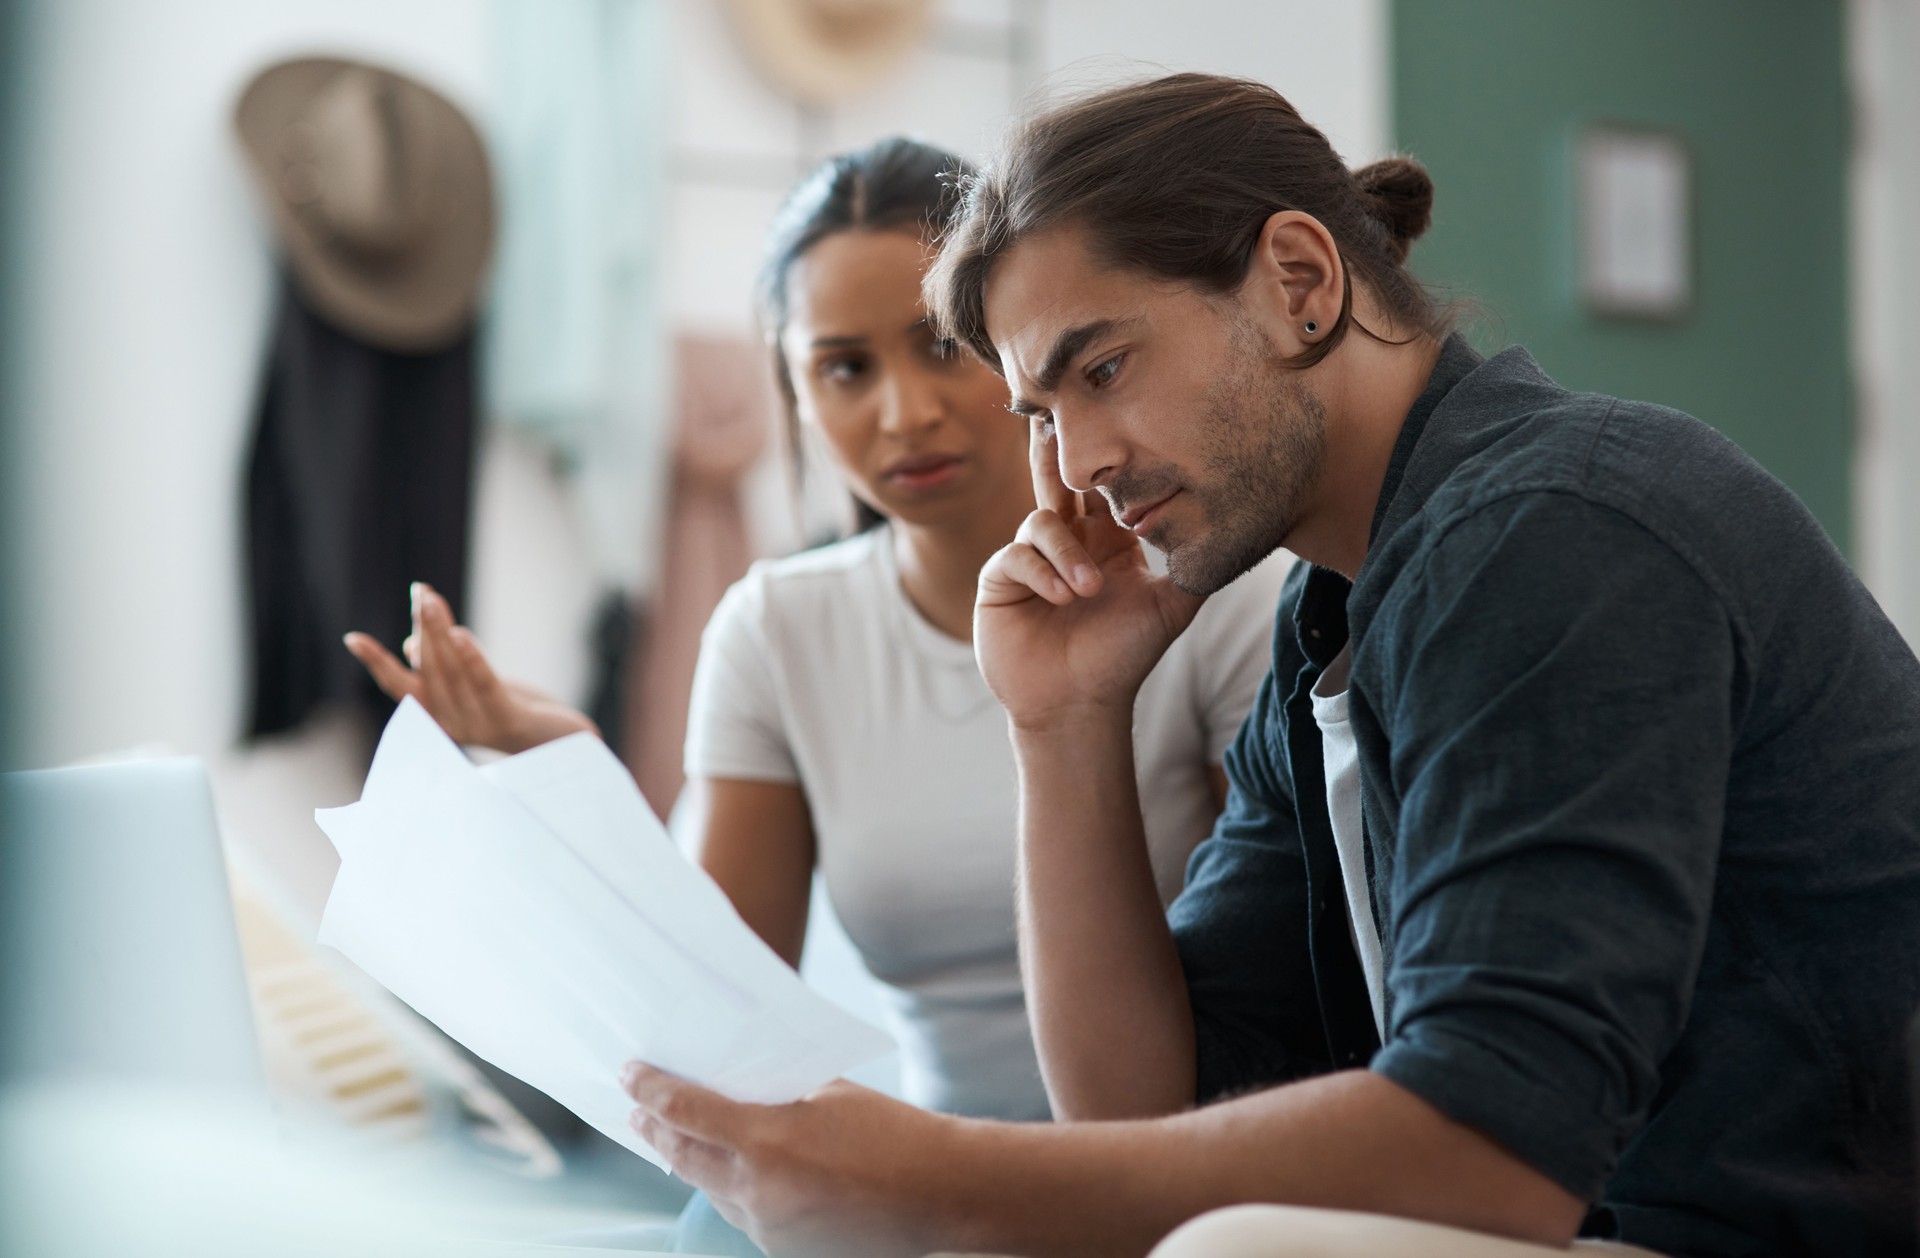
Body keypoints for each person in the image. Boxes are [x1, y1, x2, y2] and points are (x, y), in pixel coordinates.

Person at [619, 74, 1920, 1258]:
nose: (1076, 468)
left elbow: (1497, 1146)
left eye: (1105, 368)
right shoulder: (1332, 610)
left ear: (1301, 280)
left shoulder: (1551, 531)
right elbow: (1146, 1115)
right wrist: (1066, 722)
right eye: (1044, 414)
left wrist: (944, 1173)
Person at [345, 137, 1284, 1250]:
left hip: (1185, 1180)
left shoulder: (1213, 595)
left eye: (942, 347)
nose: (903, 413)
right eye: (844, 368)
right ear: (791, 389)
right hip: (930, 1178)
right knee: (710, 1225)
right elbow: (715, 1016)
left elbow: (1287, 995)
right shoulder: (777, 630)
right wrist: (570, 768)